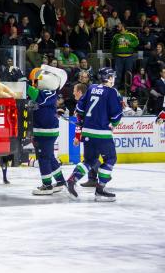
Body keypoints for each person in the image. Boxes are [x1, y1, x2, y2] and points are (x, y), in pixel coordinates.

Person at [67, 67, 123, 202]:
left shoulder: (91, 88)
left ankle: (71, 180)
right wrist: (114, 124)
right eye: (112, 76)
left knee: (90, 160)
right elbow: (116, 116)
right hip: (102, 133)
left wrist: (81, 121)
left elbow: (79, 109)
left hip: (87, 132)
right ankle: (100, 189)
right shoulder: (111, 92)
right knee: (110, 159)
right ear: (108, 78)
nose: (114, 79)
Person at [28, 66, 68, 195]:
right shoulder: (49, 92)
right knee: (50, 157)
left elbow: (36, 95)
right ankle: (60, 181)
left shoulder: (48, 93)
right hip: (45, 130)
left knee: (44, 158)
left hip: (45, 131)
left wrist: (22, 81)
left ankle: (47, 185)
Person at [111, 23, 139, 90]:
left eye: (119, 27)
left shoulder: (130, 35)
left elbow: (137, 42)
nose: (117, 28)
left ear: (123, 27)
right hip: (118, 57)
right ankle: (116, 88)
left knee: (128, 73)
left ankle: (128, 88)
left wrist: (130, 43)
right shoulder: (116, 36)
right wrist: (114, 54)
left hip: (129, 57)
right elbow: (112, 46)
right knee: (117, 73)